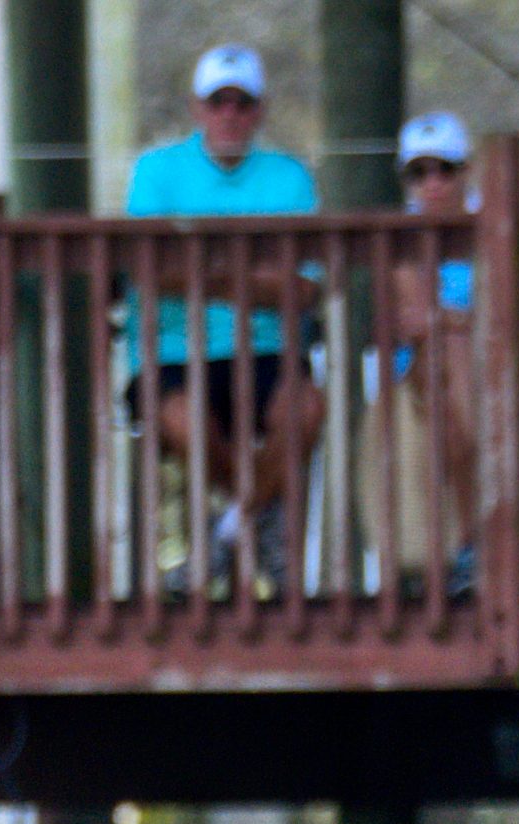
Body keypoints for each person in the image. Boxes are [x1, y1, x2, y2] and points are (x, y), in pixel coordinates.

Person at [125, 44, 326, 586]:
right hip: (174, 351)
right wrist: (253, 272)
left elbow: (303, 290)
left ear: (259, 112)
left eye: (242, 103)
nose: (229, 115)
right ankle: (256, 516)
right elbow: (148, 271)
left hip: (268, 349)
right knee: (184, 421)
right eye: (219, 103)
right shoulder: (156, 171)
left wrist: (200, 271)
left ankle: (231, 526)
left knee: (307, 409)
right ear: (198, 108)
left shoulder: (290, 178)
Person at [363, 110, 478, 597]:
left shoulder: (493, 227)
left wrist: (447, 321)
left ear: (464, 172)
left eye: (444, 169)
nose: (432, 183)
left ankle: (464, 549)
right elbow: (413, 320)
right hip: (418, 377)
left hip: (488, 373)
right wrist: (463, 320)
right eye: (419, 172)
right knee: (445, 353)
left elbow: (508, 317)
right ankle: (470, 548)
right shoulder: (399, 237)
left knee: (451, 353)